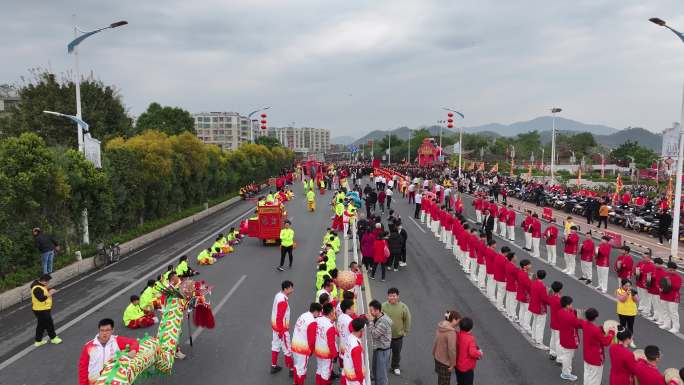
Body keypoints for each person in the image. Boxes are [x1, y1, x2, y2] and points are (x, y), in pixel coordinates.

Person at [78, 318, 139, 385]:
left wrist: (133, 350)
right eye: (102, 330)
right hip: (94, 382)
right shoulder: (88, 346)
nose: (104, 333)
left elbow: (134, 342)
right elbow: (83, 369)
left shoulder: (117, 341)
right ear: (99, 330)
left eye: (107, 330)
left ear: (112, 330)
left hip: (112, 381)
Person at [581, 308, 615, 385]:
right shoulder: (595, 330)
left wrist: (601, 328)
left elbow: (596, 333)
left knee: (587, 374)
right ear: (595, 317)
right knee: (595, 379)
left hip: (587, 355)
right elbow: (606, 342)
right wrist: (611, 333)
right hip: (595, 358)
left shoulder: (584, 324)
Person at [382, 287, 411, 376]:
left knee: (396, 353)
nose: (392, 298)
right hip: (385, 335)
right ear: (388, 297)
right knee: (385, 352)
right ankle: (383, 367)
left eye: (394, 296)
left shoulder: (403, 307)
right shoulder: (383, 306)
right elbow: (379, 318)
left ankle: (395, 366)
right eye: (390, 296)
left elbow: (408, 320)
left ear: (398, 296)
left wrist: (406, 331)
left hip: (398, 336)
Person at [31, 274, 62, 347]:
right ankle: (53, 338)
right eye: (47, 282)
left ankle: (38, 341)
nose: (48, 283)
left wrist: (50, 290)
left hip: (43, 309)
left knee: (41, 325)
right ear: (43, 281)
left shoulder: (40, 285)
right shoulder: (37, 288)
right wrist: (50, 293)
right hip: (41, 310)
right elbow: (41, 298)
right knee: (49, 324)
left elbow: (44, 291)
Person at [271, 280, 294, 375]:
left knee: (275, 346)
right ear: (286, 289)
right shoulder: (283, 302)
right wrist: (281, 332)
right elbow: (280, 317)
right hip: (282, 329)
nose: (292, 290)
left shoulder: (278, 295)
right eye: (291, 288)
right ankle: (292, 370)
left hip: (275, 326)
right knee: (287, 349)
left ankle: (274, 366)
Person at [557, 296, 582, 381]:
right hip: (570, 339)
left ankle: (566, 370)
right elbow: (578, 324)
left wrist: (573, 312)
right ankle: (566, 373)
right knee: (568, 356)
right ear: (567, 305)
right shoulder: (570, 317)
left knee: (567, 355)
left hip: (564, 336)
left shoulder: (560, 312)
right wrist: (580, 317)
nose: (572, 306)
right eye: (571, 304)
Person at [432, 310, 460, 385]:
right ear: (454, 320)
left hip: (437, 357)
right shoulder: (451, 332)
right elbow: (452, 349)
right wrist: (453, 363)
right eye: (458, 321)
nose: (458, 324)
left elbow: (436, 341)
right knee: (445, 382)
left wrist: (434, 353)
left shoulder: (440, 327)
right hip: (445, 362)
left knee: (440, 379)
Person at [368, 299, 393, 385]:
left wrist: (370, 321)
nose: (370, 312)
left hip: (383, 350)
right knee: (376, 370)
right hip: (378, 348)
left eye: (371, 310)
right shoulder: (378, 317)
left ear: (377, 310)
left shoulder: (383, 322)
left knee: (381, 374)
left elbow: (375, 334)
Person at [314, 303, 338, 385]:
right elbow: (331, 343)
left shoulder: (317, 320)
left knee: (319, 368)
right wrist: (335, 354)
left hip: (317, 349)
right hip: (326, 353)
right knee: (325, 372)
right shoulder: (330, 326)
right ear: (331, 312)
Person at [455, 317, 482, 385]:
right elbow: (472, 352)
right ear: (471, 329)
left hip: (457, 366)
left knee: (460, 381)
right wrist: (479, 353)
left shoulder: (457, 335)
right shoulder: (470, 339)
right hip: (467, 368)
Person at [342, 318, 368, 385]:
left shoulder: (349, 337)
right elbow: (358, 367)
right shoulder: (356, 347)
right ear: (362, 330)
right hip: (355, 378)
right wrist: (361, 380)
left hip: (348, 372)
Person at [528, 269, 549, 349]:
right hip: (540, 308)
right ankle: (539, 342)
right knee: (540, 325)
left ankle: (534, 337)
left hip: (533, 305)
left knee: (535, 321)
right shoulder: (542, 286)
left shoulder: (534, 283)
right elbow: (544, 299)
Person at [659, 261, 681, 333]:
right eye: (669, 269)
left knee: (673, 312)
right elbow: (661, 282)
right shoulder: (665, 274)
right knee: (665, 310)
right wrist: (660, 288)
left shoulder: (678, 277)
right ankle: (667, 324)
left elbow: (677, 287)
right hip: (664, 295)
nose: (670, 271)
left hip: (673, 297)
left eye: (672, 270)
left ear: (675, 270)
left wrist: (669, 284)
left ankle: (676, 327)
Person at [616, 279, 639, 348]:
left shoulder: (633, 291)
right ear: (622, 286)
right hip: (622, 312)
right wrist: (627, 293)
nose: (628, 287)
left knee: (630, 328)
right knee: (622, 327)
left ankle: (631, 341)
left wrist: (634, 295)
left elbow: (637, 301)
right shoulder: (619, 291)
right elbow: (622, 300)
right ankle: (621, 340)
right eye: (626, 286)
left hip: (631, 312)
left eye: (629, 285)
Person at [547, 281, 563, 362]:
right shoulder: (560, 300)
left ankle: (552, 353)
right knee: (559, 341)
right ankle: (559, 358)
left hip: (553, 321)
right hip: (559, 323)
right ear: (560, 290)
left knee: (553, 338)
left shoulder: (551, 298)